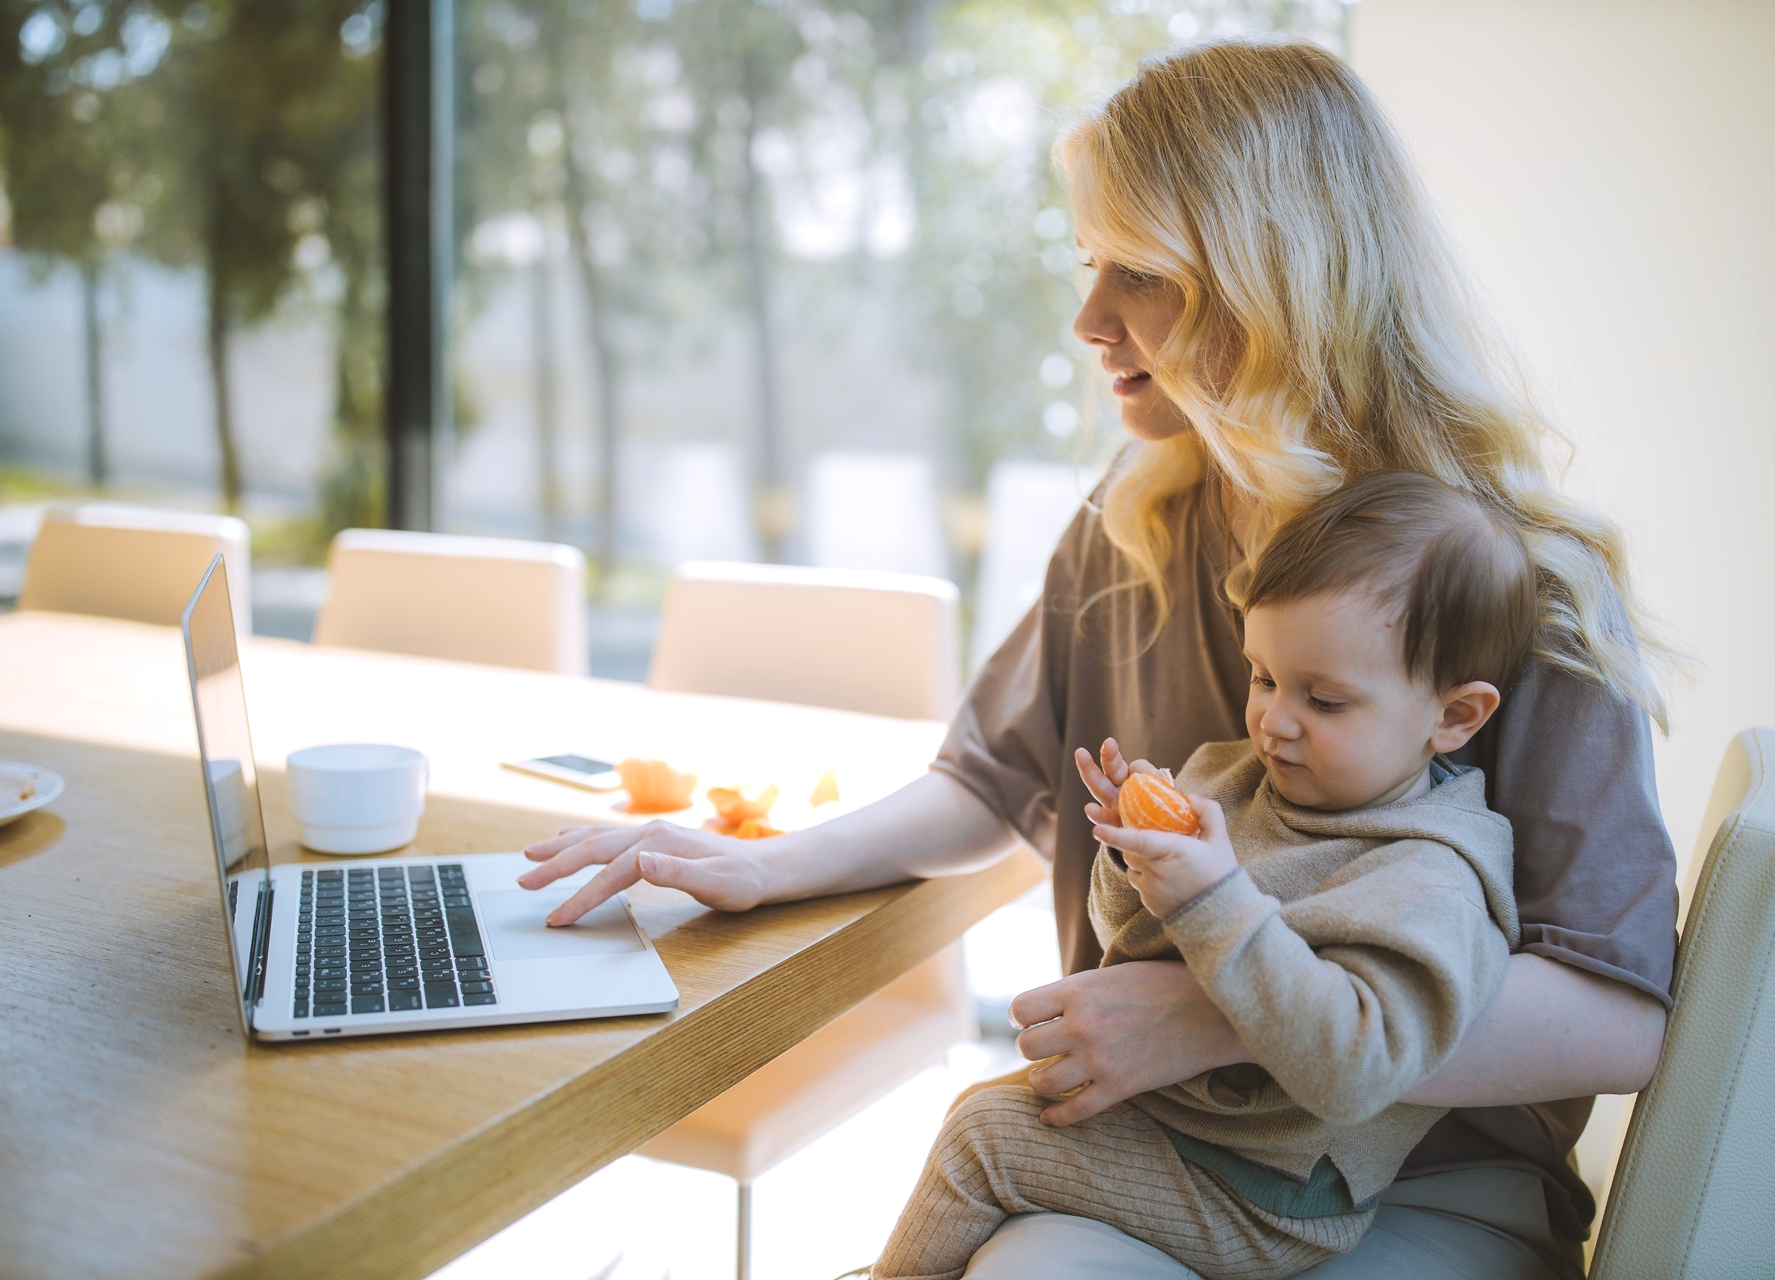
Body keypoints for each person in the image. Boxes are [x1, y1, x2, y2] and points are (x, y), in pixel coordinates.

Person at [521, 37, 1677, 1279]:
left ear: (1273, 280)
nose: (1087, 319)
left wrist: (1218, 1013)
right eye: (1089, 265)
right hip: (1171, 1140)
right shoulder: (1137, 517)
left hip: (1424, 1180)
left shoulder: (1515, 583)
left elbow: (1616, 1016)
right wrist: (769, 862)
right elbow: (991, 778)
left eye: (1141, 273)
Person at [872, 471, 1534, 1280]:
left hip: (1268, 1193)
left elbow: (1358, 1067)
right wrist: (1135, 857)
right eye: (1263, 677)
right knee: (989, 1113)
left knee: (983, 1142)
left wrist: (1215, 900)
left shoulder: (1432, 874)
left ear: (1455, 716)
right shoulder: (1237, 778)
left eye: (1324, 701)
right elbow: (1134, 943)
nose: (1273, 722)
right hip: (1182, 1128)